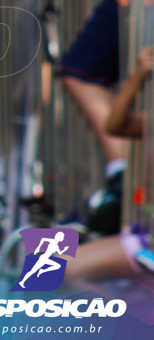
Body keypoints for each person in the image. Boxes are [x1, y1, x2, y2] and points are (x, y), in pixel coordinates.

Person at [63, 46, 152, 290]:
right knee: (53, 266)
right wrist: (137, 77)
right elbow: (115, 126)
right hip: (145, 239)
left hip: (146, 244)